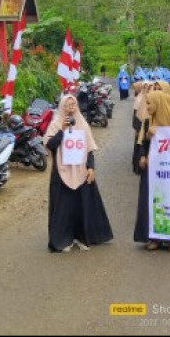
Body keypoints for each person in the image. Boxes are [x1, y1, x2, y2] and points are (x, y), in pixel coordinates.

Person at [44, 94, 113, 253]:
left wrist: (90, 168)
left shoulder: (82, 124)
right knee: (63, 209)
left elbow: (89, 149)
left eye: (73, 105)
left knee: (81, 207)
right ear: (62, 107)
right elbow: (51, 145)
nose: (71, 109)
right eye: (68, 106)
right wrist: (61, 130)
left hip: (81, 172)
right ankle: (62, 240)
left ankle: (82, 237)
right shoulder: (55, 124)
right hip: (62, 173)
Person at [134, 90, 170, 253]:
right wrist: (142, 155)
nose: (147, 106)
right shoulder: (148, 122)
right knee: (152, 202)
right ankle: (154, 238)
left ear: (160, 104)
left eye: (149, 103)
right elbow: (142, 144)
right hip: (152, 169)